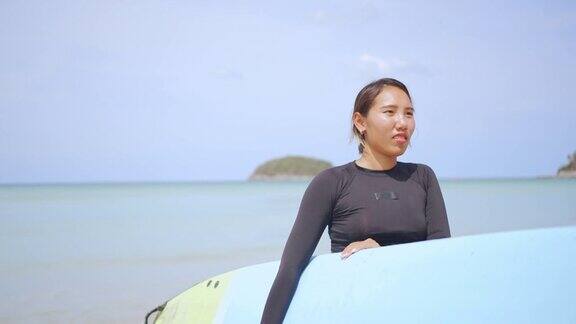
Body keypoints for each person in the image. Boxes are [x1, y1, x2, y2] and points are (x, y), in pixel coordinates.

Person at [260, 78, 451, 324]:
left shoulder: (422, 177)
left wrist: (381, 255)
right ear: (360, 122)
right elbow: (291, 268)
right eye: (390, 112)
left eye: (409, 113)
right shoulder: (331, 182)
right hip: (356, 311)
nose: (402, 123)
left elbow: (442, 259)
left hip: (416, 309)